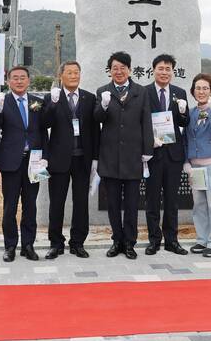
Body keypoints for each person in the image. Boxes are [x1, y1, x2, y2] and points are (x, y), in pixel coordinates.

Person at [93, 51, 154, 259]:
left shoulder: (141, 92)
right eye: (114, 68)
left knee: (131, 204)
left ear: (129, 70)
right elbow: (96, 118)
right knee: (112, 205)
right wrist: (102, 105)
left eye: (122, 68)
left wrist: (147, 151)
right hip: (109, 157)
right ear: (109, 70)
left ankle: (130, 242)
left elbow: (146, 122)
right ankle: (116, 241)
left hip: (133, 157)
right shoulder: (103, 91)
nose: (118, 72)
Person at [0, 65, 47, 262]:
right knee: (10, 205)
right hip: (10, 162)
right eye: (15, 78)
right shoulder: (1, 102)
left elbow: (44, 131)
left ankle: (28, 245)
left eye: (23, 77)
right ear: (8, 81)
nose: (19, 81)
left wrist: (45, 158)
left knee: (31, 205)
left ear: (29, 80)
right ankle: (10, 245)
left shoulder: (38, 102)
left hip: (36, 161)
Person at [42, 60, 98, 259]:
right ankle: (56, 243)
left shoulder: (90, 98)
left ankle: (78, 243)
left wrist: (95, 159)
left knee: (81, 203)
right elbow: (44, 123)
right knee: (56, 203)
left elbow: (95, 131)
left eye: (77, 72)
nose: (74, 76)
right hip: (59, 159)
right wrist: (53, 104)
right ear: (61, 76)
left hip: (83, 158)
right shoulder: (52, 97)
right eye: (70, 73)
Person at [143, 54, 190, 256]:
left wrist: (182, 112)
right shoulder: (144, 92)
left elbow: (184, 122)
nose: (164, 72)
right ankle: (154, 240)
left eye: (168, 69)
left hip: (173, 155)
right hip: (152, 154)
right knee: (152, 199)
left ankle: (172, 240)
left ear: (173, 71)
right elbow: (141, 121)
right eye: (161, 68)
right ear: (153, 70)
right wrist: (148, 141)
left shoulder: (179, 93)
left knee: (172, 200)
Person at [183, 73, 211, 258]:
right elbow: (185, 139)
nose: (201, 92)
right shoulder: (191, 112)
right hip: (195, 166)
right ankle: (202, 239)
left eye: (205, 88)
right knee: (199, 204)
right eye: (198, 88)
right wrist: (186, 162)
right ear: (193, 91)